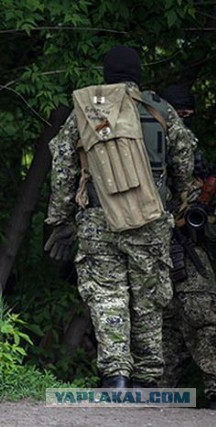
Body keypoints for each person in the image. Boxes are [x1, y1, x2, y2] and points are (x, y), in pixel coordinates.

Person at [44, 46, 196, 388]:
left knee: (107, 295)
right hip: (150, 219)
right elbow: (184, 161)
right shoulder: (160, 110)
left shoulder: (87, 110)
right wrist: (179, 203)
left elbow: (64, 167)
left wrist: (60, 218)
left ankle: (116, 376)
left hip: (99, 219)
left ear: (106, 74)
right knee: (149, 298)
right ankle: (148, 377)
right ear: (137, 75)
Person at [158, 84, 216, 409]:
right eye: (180, 114)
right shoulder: (150, 150)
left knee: (195, 316)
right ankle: (160, 392)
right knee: (188, 317)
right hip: (163, 246)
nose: (185, 120)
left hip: (182, 246)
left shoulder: (188, 149)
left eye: (189, 115)